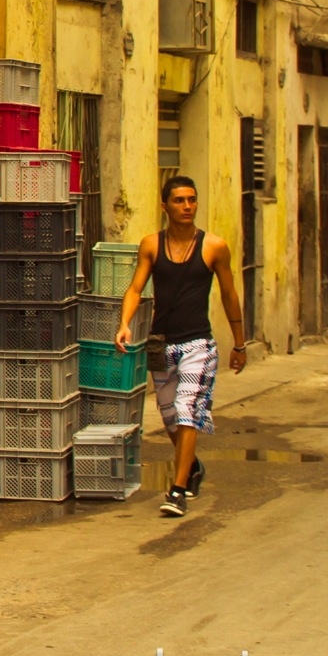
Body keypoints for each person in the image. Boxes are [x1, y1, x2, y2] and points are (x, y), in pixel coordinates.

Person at [114, 174, 248, 519]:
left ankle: (177, 490)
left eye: (192, 199)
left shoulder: (213, 247)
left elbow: (230, 294)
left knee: (187, 410)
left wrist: (239, 343)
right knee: (171, 419)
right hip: (161, 345)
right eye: (179, 201)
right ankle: (192, 468)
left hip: (198, 344)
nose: (187, 206)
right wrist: (125, 323)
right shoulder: (151, 245)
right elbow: (135, 288)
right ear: (165, 206)